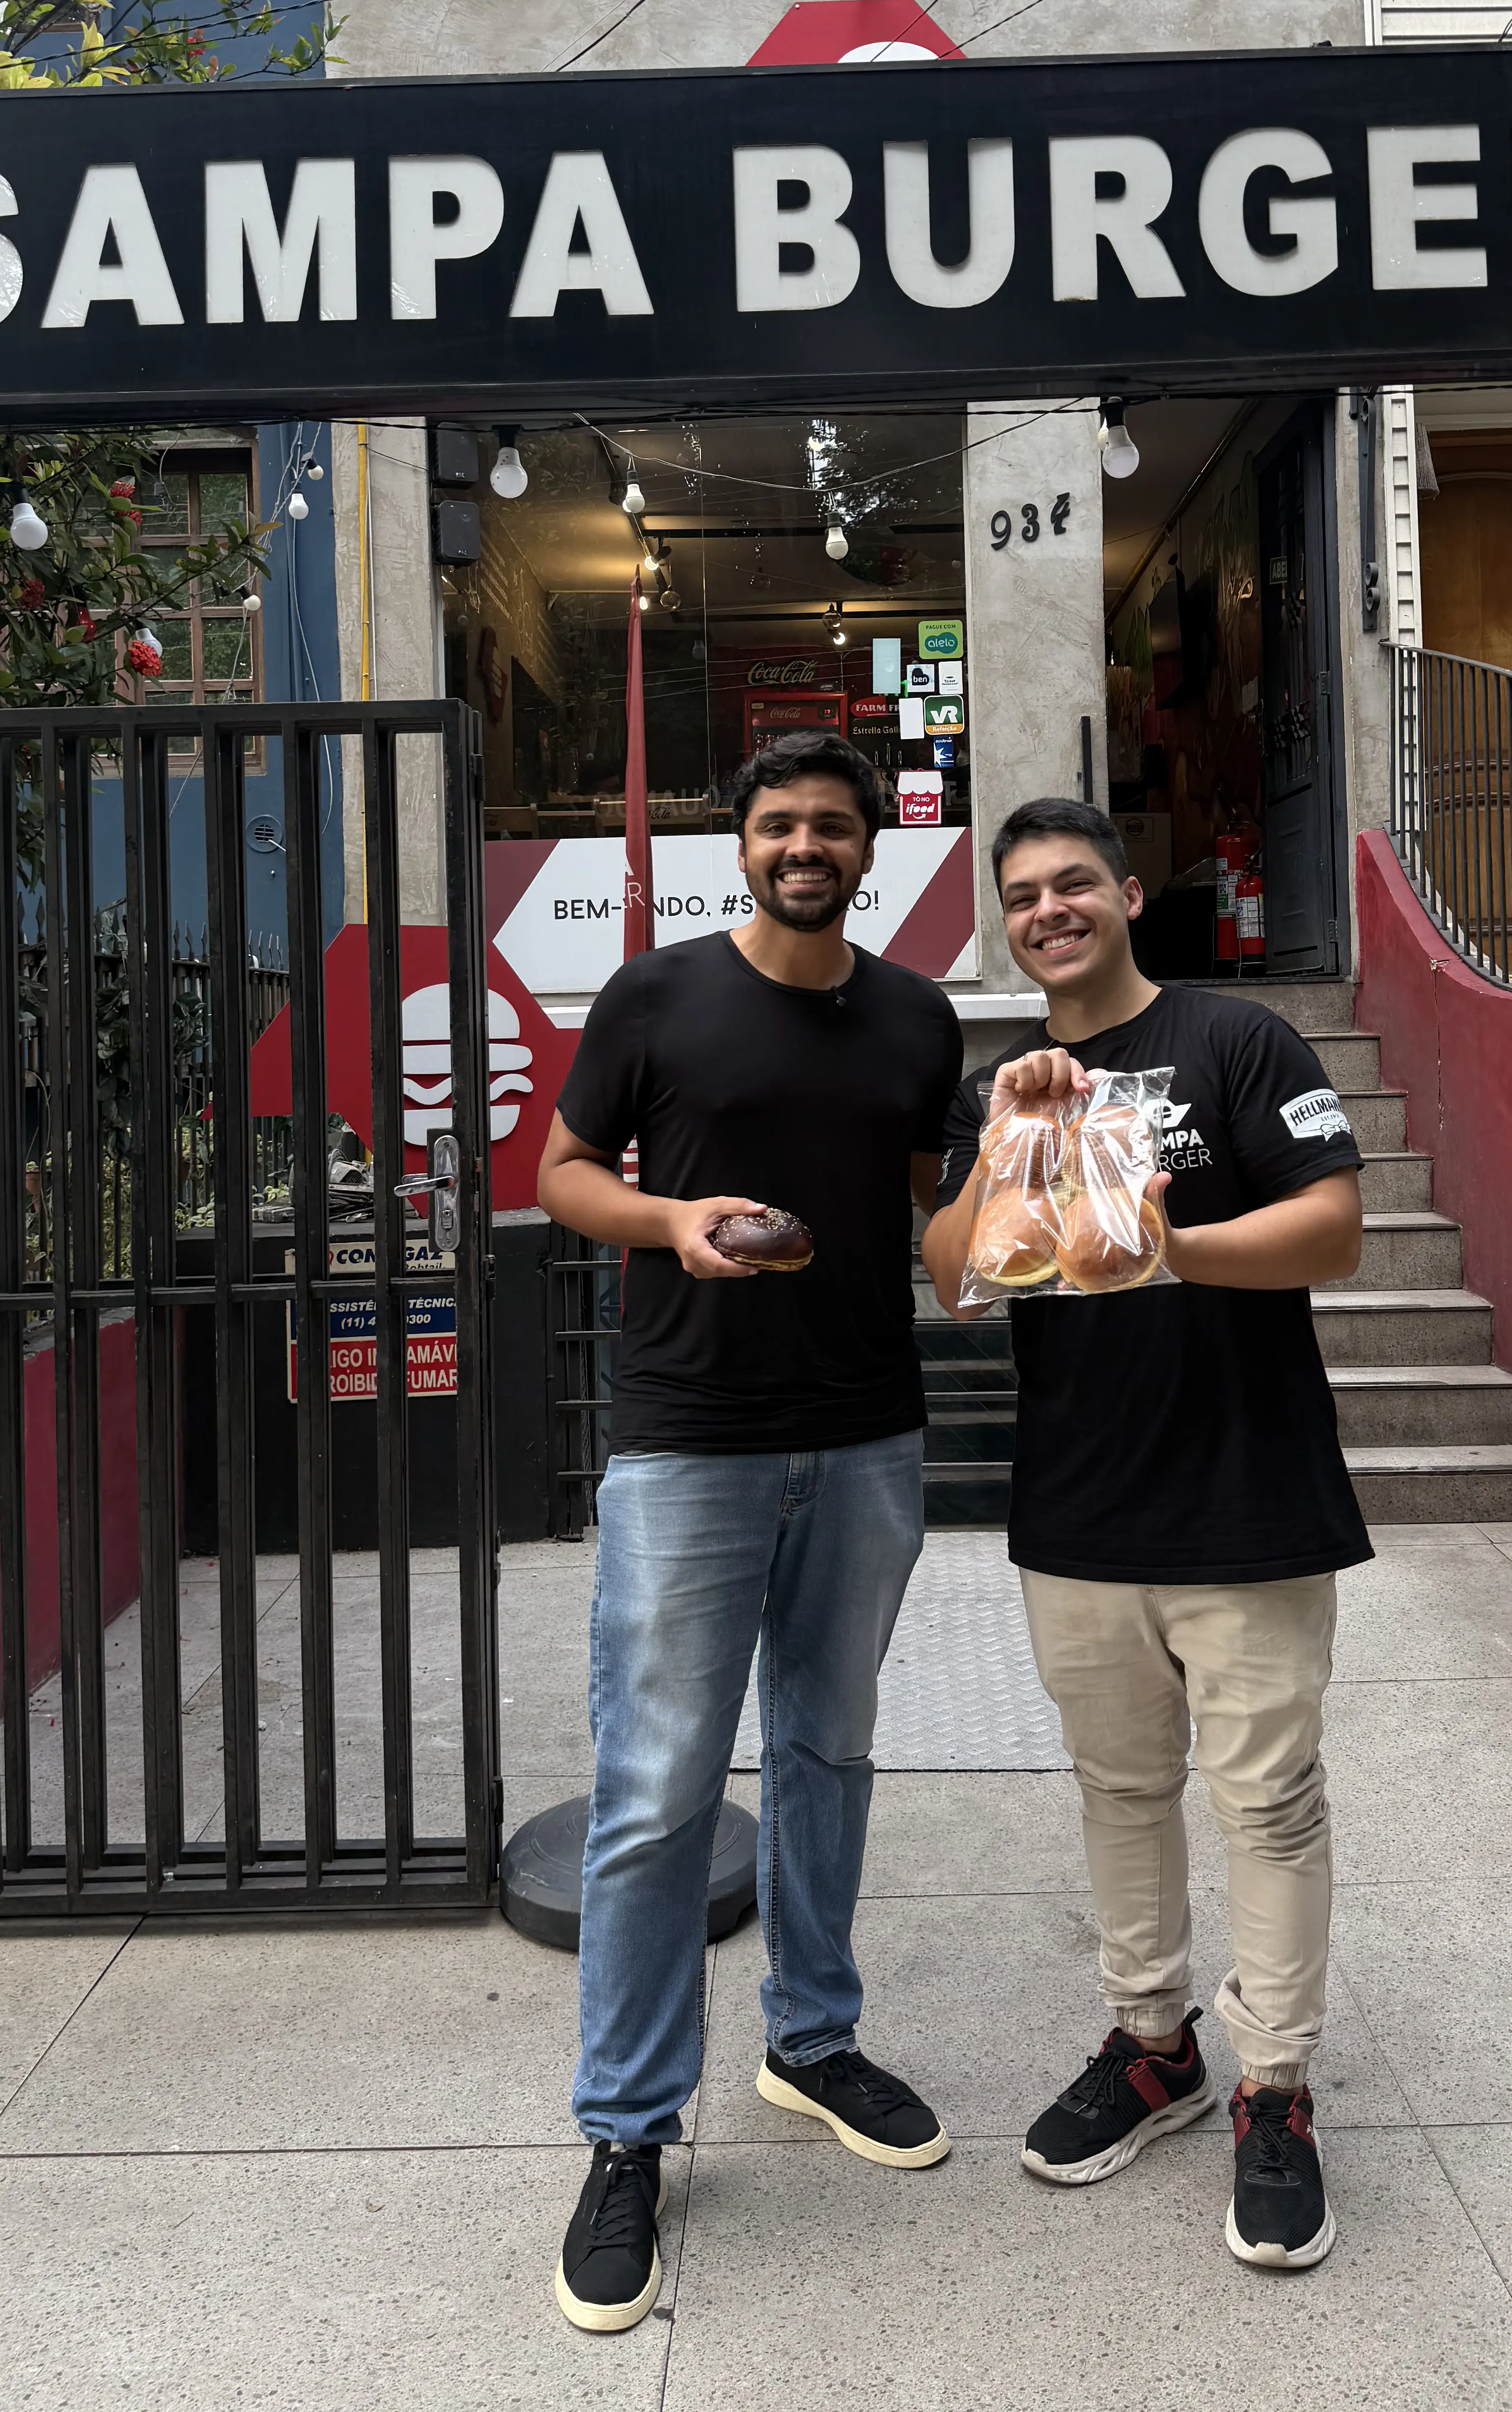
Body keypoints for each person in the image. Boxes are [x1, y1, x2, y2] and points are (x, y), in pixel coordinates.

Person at [535, 728, 963, 2335]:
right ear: (744, 842)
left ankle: (811, 2039)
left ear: (870, 851)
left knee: (829, 1753)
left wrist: (1010, 1247)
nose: (806, 846)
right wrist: (668, 1225)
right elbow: (564, 1171)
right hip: (688, 1443)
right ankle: (626, 2131)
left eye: (833, 827)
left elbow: (924, 1209)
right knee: (653, 1795)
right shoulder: (653, 996)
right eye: (780, 824)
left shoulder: (917, 1019)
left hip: (864, 1435)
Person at [921, 797, 1368, 2272]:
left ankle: (1274, 2089)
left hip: (1245, 1492)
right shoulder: (1005, 1084)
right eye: (1024, 895)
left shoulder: (1238, 1042)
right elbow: (954, 1282)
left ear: (1124, 894)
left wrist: (1171, 1247)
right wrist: (1012, 1136)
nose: (1050, 909)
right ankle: (1150, 2044)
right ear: (1007, 924)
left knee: (1267, 1804)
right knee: (1119, 1793)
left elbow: (1331, 1230)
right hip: (1079, 1501)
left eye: (1073, 885)